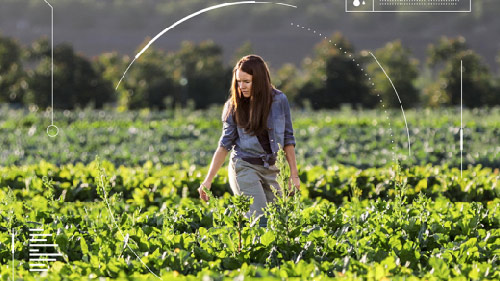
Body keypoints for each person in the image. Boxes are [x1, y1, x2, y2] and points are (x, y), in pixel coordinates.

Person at [198, 54, 300, 226]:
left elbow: (288, 138)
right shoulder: (233, 106)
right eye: (238, 81)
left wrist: (294, 175)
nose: (241, 86)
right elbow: (224, 145)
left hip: (272, 168)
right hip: (244, 166)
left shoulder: (279, 100)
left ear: (259, 80)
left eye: (246, 81)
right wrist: (208, 180)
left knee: (279, 222)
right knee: (260, 221)